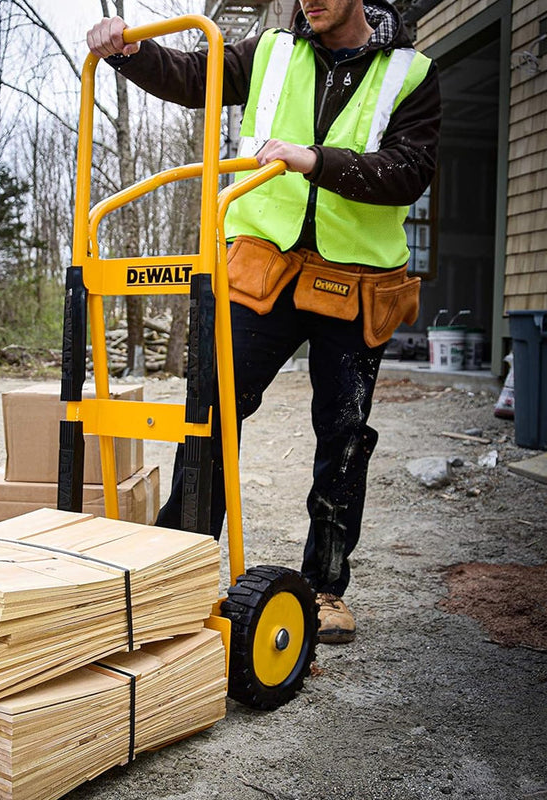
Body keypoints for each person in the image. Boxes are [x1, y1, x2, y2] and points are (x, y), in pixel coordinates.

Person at [87, 0, 441, 644]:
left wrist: (315, 160)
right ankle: (183, 561)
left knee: (343, 432)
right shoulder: (271, 51)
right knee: (211, 408)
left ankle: (326, 588)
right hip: (263, 266)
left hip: (356, 281)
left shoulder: (412, 73)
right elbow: (194, 76)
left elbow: (409, 172)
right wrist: (130, 50)